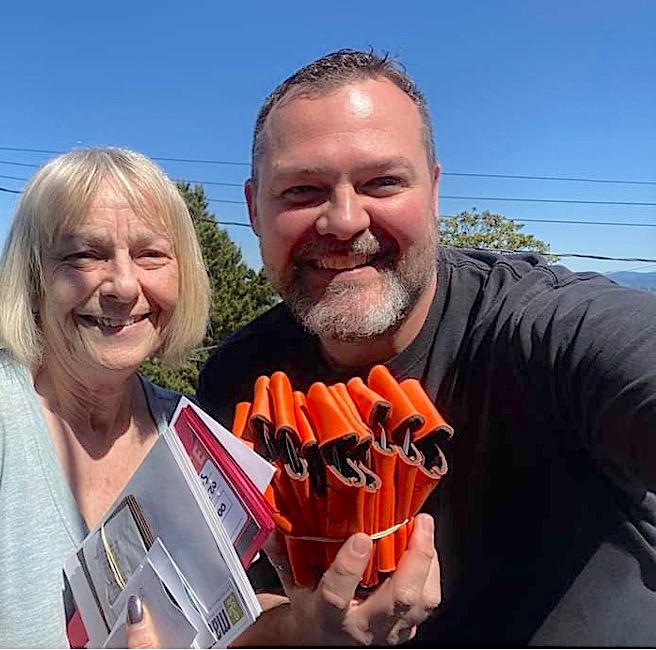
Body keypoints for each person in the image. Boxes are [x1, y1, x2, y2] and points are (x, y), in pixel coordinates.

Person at [0, 146, 437, 648]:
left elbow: (223, 627)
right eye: (85, 254)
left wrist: (312, 624)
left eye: (150, 255)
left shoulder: (188, 431)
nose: (122, 285)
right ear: (34, 279)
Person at [197, 49, 656, 645]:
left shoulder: (536, 329)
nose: (343, 220)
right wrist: (301, 628)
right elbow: (232, 597)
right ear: (254, 210)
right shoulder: (237, 380)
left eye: (382, 182)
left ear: (434, 192)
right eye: (302, 190)